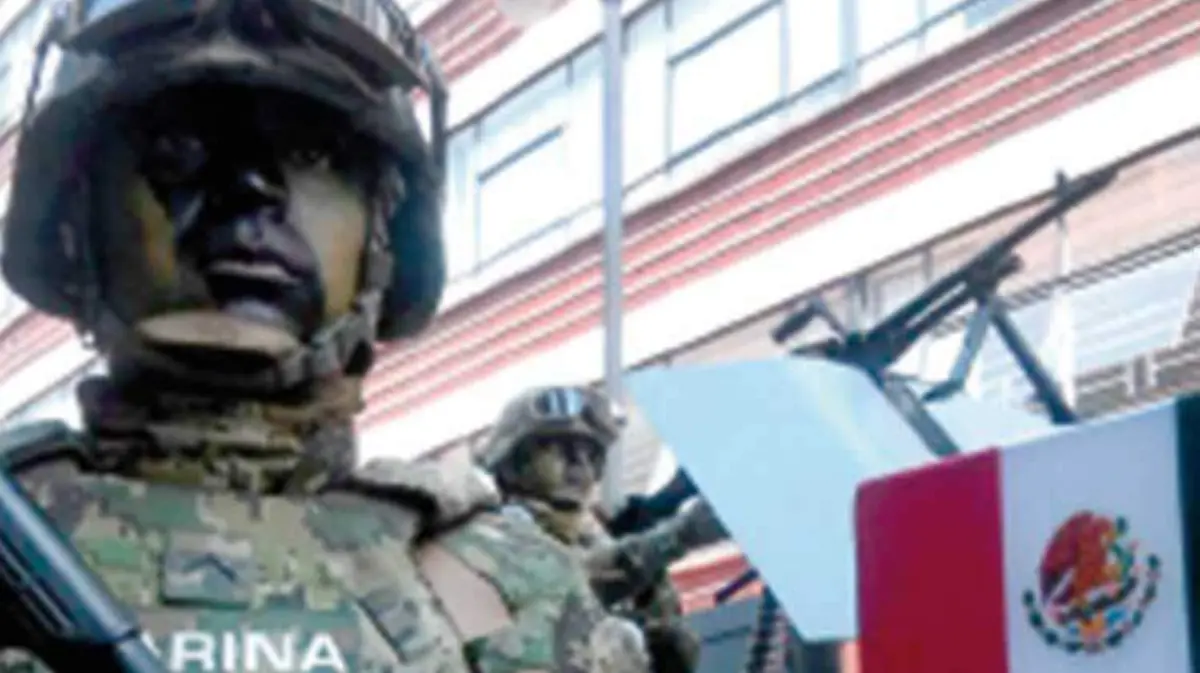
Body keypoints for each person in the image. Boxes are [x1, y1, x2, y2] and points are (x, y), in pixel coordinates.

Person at [0, 1, 650, 671]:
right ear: (75, 226)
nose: (250, 189)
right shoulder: (16, 533)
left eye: (312, 153)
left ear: (382, 235)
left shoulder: (495, 584)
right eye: (176, 150)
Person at [479, 385, 726, 673]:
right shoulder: (492, 534)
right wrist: (679, 535)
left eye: (591, 456)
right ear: (514, 464)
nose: (580, 467)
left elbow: (660, 621)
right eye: (563, 452)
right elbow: (566, 582)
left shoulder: (594, 533)